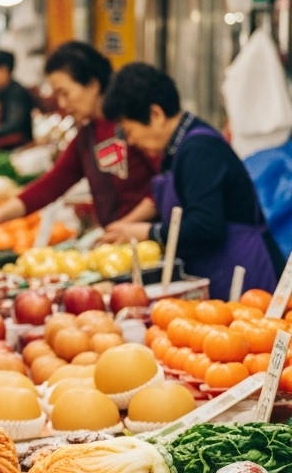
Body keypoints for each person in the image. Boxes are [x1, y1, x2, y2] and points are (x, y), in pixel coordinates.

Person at [102, 63, 282, 299]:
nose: (131, 141)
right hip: (218, 272)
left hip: (246, 274)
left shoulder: (199, 149)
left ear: (155, 114)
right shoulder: (177, 147)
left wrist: (146, 231)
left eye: (129, 130)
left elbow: (206, 225)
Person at [0, 42, 156, 239]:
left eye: (65, 93)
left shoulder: (133, 127)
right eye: (57, 95)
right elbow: (50, 186)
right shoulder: (86, 136)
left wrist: (126, 225)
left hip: (148, 241)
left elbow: (166, 185)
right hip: (119, 243)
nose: (63, 104)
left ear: (92, 85)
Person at [0, 49, 34, 150]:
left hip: (20, 150)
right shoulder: (1, 91)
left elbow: (15, 125)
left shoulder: (16, 92)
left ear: (4, 70)